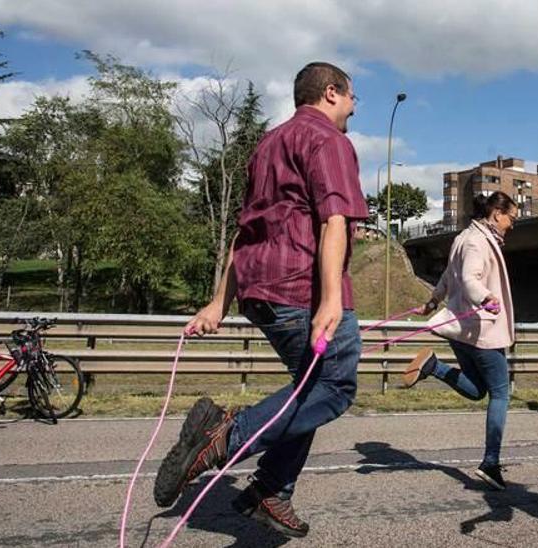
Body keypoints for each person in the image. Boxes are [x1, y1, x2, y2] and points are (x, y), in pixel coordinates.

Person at [154, 62, 366, 538]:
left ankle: (271, 490)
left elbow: (245, 230)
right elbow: (335, 219)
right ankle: (224, 436)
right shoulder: (329, 141)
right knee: (335, 387)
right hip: (301, 289)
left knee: (306, 391)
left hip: (259, 290)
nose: (354, 107)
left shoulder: (267, 144)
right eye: (353, 97)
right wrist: (330, 299)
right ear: (331, 93)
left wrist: (219, 303)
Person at [401, 191, 518, 490]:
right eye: (511, 219)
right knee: (501, 394)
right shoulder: (477, 241)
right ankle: (491, 463)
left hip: (462, 329)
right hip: (481, 329)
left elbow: (448, 277)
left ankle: (434, 367)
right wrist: (486, 297)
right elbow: (467, 278)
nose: (512, 225)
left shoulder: (464, 238)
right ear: (496, 214)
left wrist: (432, 302)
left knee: (479, 390)